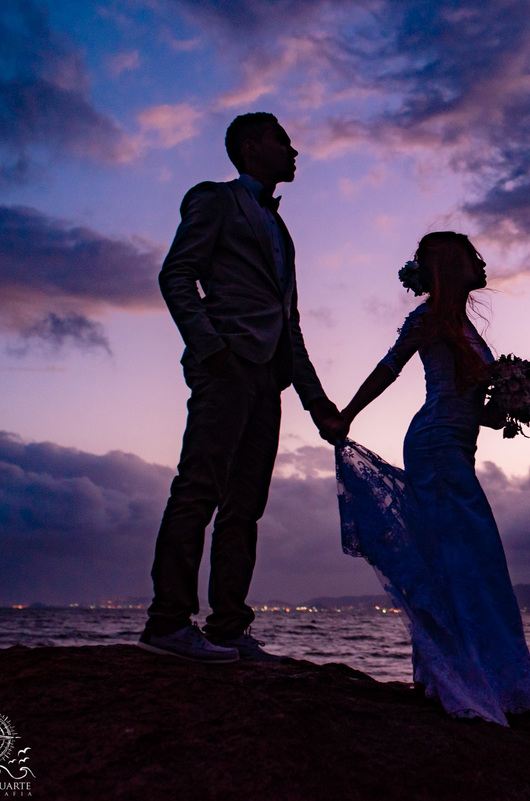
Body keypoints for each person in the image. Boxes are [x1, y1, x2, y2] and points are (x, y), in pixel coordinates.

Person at [140, 112, 346, 663]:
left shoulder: (281, 230)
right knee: (198, 489)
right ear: (251, 147)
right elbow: (176, 275)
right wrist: (213, 350)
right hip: (226, 366)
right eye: (284, 139)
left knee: (245, 508)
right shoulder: (214, 199)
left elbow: (289, 322)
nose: (294, 150)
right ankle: (167, 624)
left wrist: (317, 401)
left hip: (269, 379)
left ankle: (229, 628)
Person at [333, 231, 530, 724]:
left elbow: (480, 416)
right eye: (470, 255)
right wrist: (347, 415)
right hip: (434, 444)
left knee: (474, 560)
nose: (480, 261)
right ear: (451, 264)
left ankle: (474, 679)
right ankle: (464, 682)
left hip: (457, 447)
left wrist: (511, 405)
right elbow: (390, 368)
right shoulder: (427, 319)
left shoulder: (467, 329)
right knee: (462, 560)